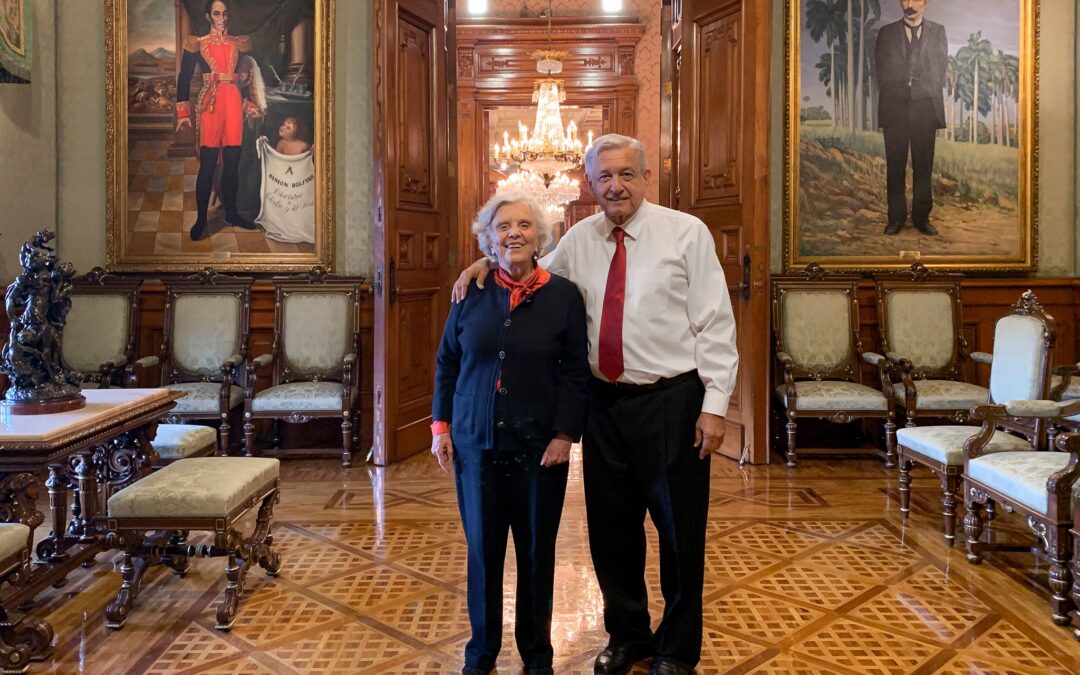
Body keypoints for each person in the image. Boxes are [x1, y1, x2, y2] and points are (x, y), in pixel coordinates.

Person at [453, 134, 738, 675]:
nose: (615, 185)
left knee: (680, 533)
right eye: (604, 176)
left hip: (673, 403)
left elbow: (716, 323)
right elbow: (525, 265)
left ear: (645, 177)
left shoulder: (686, 233)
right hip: (603, 407)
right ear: (590, 184)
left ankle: (676, 648)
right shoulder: (580, 240)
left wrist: (716, 405)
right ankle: (628, 635)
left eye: (626, 173)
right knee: (612, 534)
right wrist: (480, 267)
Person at [432, 190, 590, 675]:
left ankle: (537, 656)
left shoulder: (563, 295)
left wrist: (565, 435)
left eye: (524, 225)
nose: (514, 233)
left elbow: (575, 372)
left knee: (537, 554)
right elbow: (447, 363)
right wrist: (441, 427)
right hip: (475, 446)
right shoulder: (469, 291)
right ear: (489, 239)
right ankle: (480, 656)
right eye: (503, 226)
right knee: (482, 554)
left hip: (539, 449)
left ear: (540, 237)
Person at [176, 0, 264, 241]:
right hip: (210, 106)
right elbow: (184, 79)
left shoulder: (240, 43)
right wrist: (183, 113)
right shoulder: (197, 44)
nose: (222, 18)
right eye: (217, 13)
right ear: (208, 16)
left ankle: (232, 213)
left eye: (225, 13)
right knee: (207, 166)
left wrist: (251, 103)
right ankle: (202, 219)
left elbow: (250, 74)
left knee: (233, 163)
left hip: (234, 104)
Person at [875, 0, 947, 236]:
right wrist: (902, 84)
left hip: (925, 109)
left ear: (925, 3)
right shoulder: (886, 34)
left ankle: (921, 218)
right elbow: (880, 71)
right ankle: (895, 219)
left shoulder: (938, 32)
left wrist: (918, 87)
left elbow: (940, 71)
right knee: (895, 167)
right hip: (895, 109)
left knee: (923, 166)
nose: (908, 4)